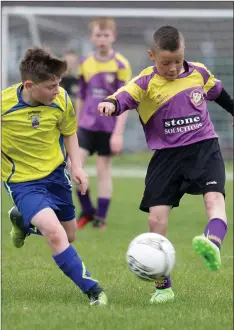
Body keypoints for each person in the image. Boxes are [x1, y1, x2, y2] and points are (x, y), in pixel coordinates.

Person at [98, 26, 233, 303]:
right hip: (167, 157)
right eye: (165, 63)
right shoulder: (145, 81)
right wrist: (110, 104)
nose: (173, 68)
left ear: (184, 54)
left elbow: (219, 93)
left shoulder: (198, 72)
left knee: (214, 201)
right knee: (156, 219)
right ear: (152, 56)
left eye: (177, 61)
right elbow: (124, 95)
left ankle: (212, 243)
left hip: (204, 148)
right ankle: (163, 287)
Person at [2, 47, 108, 306]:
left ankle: (22, 221)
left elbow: (69, 132)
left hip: (56, 177)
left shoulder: (61, 100)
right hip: (23, 183)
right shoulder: (4, 106)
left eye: (59, 84)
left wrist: (78, 167)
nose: (58, 90)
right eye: (51, 86)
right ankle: (93, 291)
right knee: (55, 234)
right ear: (29, 85)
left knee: (68, 235)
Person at [75, 17, 132, 230]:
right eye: (98, 35)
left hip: (108, 127)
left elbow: (125, 102)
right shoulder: (85, 63)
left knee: (102, 170)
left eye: (106, 35)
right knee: (74, 167)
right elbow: (81, 95)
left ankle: (101, 218)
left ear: (113, 37)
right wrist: (76, 123)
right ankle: (87, 209)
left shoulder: (121, 64)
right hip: (86, 125)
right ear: (91, 37)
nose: (102, 39)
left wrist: (118, 133)